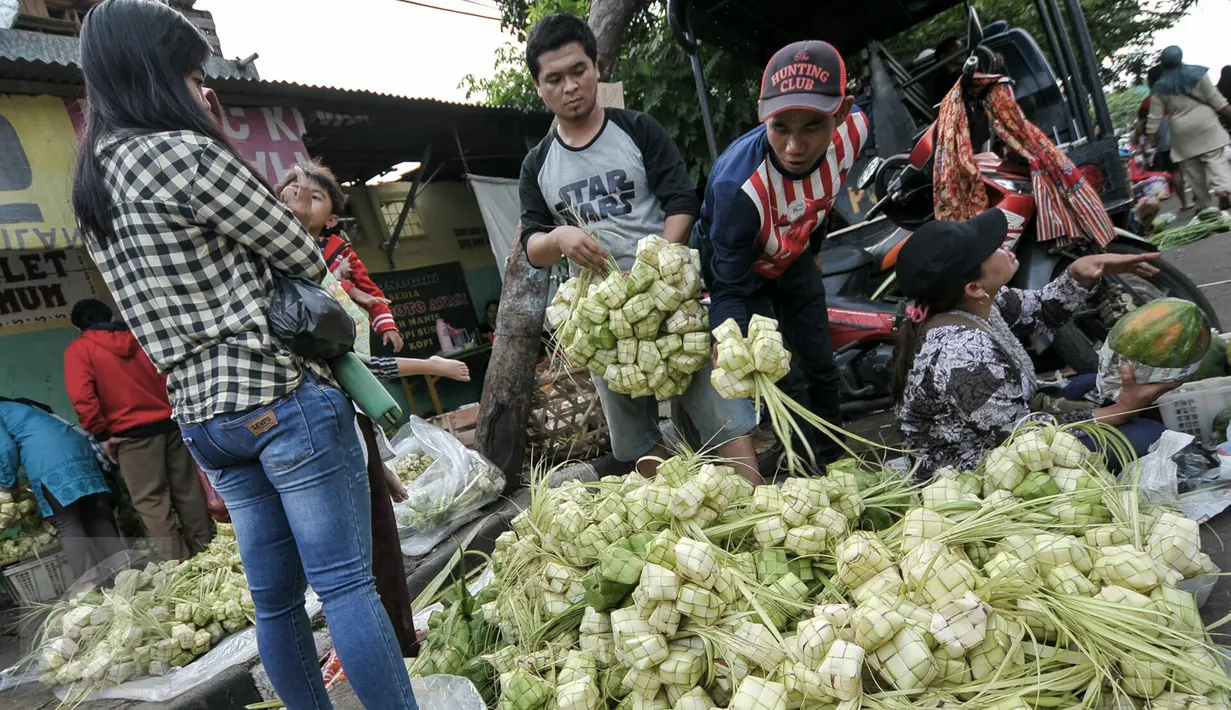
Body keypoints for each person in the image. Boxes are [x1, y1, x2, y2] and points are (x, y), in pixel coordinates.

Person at [70, 2, 417, 708]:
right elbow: (297, 251)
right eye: (194, 76)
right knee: (346, 584)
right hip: (279, 397)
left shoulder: (91, 185)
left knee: (277, 606)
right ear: (160, 75)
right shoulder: (184, 152)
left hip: (205, 421)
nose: (201, 91)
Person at [518, 13, 760, 482]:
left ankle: (755, 501)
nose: (570, 86)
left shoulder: (637, 129)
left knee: (721, 410)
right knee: (634, 437)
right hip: (602, 319)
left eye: (578, 71)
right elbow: (533, 246)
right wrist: (559, 237)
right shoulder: (537, 165)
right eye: (555, 78)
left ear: (596, 67)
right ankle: (679, 513)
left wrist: (653, 270)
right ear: (538, 86)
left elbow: (681, 202)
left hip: (669, 303)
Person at [693, 40, 869, 468]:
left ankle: (835, 459)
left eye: (812, 126)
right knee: (783, 376)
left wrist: (817, 249)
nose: (794, 146)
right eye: (780, 128)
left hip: (794, 258)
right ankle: (805, 471)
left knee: (820, 363)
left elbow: (822, 200)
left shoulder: (855, 134)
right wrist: (727, 337)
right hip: (741, 274)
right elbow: (728, 285)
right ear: (763, 117)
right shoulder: (737, 189)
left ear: (841, 114)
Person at [893, 209, 1176, 474]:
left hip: (1016, 420)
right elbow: (1022, 436)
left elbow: (1041, 310)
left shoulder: (981, 302)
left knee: (1100, 382)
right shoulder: (963, 353)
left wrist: (1081, 272)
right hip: (981, 466)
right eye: (992, 250)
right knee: (1152, 438)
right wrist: (1120, 411)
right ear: (974, 286)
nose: (1005, 247)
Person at [64, 299, 213, 561]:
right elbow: (170, 376)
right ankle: (208, 554)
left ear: (78, 327)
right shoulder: (143, 339)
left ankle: (181, 566)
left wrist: (102, 435)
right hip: (172, 425)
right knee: (189, 492)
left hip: (130, 436)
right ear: (110, 316)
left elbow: (83, 398)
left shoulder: (80, 350)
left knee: (152, 502)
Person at [0, 398, 127, 579]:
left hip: (51, 459)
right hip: (79, 450)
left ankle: (87, 583)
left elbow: (4, 449)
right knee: (95, 515)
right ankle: (126, 571)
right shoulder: (18, 407)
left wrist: (6, 487)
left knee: (66, 521)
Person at [1146, 46, 1231, 211]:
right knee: (1215, 159)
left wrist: (1150, 138)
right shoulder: (1199, 74)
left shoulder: (1159, 87)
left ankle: (1204, 204)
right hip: (1206, 123)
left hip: (1181, 130)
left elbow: (1154, 117)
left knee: (1192, 169)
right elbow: (1217, 100)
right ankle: (1223, 189)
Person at [1130, 66, 1190, 210]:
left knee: (1174, 170)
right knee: (1191, 166)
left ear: (1151, 82)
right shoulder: (1176, 93)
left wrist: (1145, 142)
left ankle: (1185, 203)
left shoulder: (1148, 102)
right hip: (1183, 132)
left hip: (1164, 138)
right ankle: (1199, 195)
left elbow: (1141, 122)